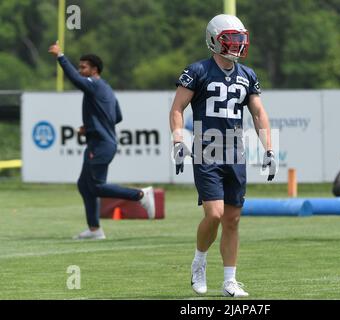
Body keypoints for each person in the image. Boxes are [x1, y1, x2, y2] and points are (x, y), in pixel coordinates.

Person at [169, 14, 277, 297]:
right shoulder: (197, 71)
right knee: (215, 215)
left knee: (233, 219)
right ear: (214, 40)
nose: (238, 46)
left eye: (241, 39)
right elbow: (178, 108)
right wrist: (178, 140)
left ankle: (230, 280)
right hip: (207, 149)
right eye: (232, 39)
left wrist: (269, 147)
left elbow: (258, 113)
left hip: (235, 151)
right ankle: (199, 262)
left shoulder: (248, 75)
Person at [48, 42, 154, 240]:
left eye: (83, 67)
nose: (80, 71)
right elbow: (118, 116)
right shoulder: (106, 88)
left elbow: (74, 79)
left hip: (101, 145)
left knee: (96, 186)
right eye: (79, 67)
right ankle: (95, 230)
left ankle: (140, 195)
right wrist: (92, 126)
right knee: (84, 184)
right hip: (101, 143)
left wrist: (60, 56)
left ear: (94, 70)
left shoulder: (94, 84)